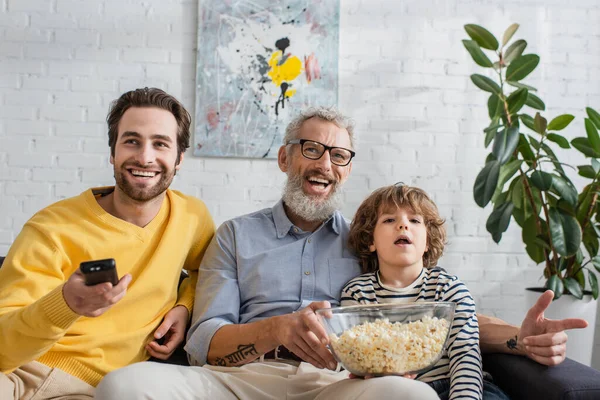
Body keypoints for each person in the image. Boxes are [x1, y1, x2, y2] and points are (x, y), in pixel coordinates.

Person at [96, 107, 588, 400]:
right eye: (311, 149)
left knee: (411, 395)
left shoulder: (369, 241)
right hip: (244, 381)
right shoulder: (234, 235)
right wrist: (277, 329)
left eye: (339, 155)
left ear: (347, 170)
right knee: (123, 387)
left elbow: (433, 313)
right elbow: (204, 340)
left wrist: (519, 341)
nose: (325, 164)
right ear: (285, 158)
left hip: (337, 384)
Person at [0, 87, 216, 399]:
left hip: (97, 389)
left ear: (179, 158)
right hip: (18, 373)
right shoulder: (51, 228)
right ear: (112, 152)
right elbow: (3, 346)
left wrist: (185, 306)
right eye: (132, 141)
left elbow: (209, 271)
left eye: (160, 144)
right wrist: (67, 304)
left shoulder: (191, 217)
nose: (145, 157)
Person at [342, 183, 483, 399]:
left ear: (427, 241)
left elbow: (466, 358)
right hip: (391, 390)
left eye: (415, 220)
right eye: (389, 220)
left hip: (452, 385)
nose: (403, 226)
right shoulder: (358, 293)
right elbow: (359, 356)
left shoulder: (449, 290)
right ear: (371, 240)